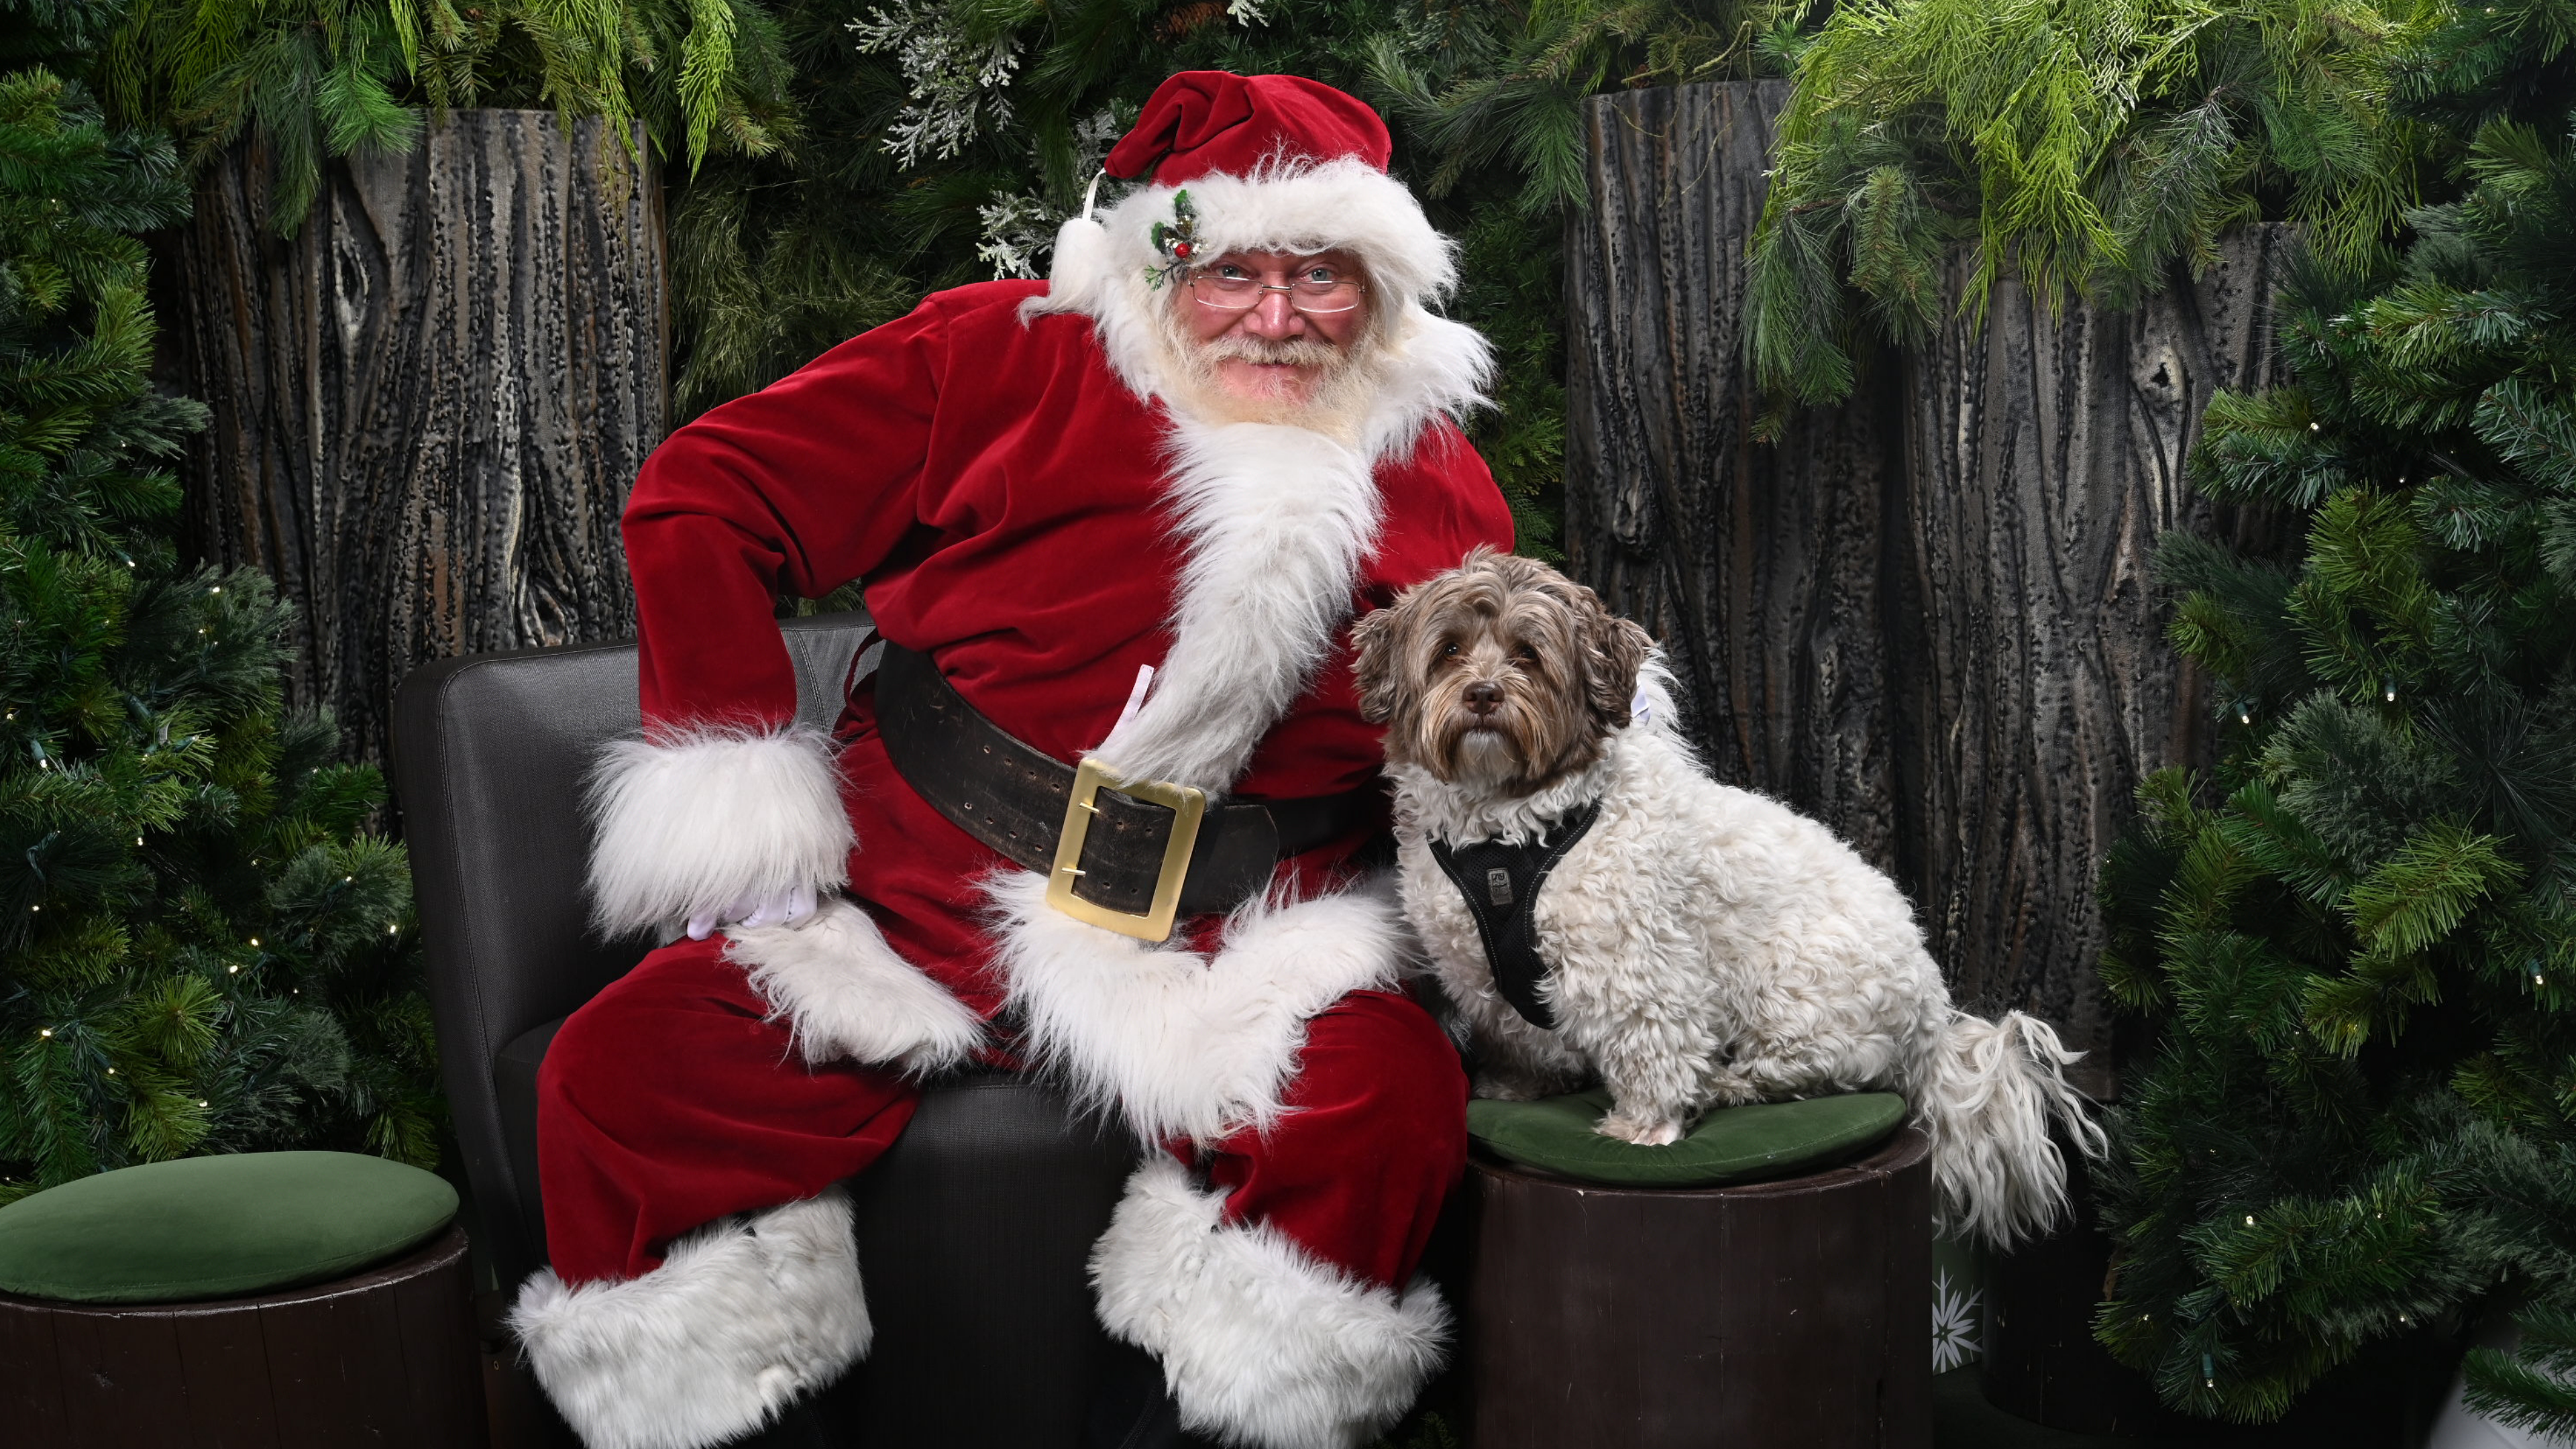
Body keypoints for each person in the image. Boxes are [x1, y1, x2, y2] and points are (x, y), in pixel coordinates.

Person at [509, 69, 1514, 1449]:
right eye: (1233, 273)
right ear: (1162, 264)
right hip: (920, 903)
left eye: (1320, 277)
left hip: (1243, 942)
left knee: (1385, 1100)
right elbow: (705, 493)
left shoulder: (1430, 464)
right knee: (620, 1076)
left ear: (1380, 291)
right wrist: (742, 807)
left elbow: (1505, 696)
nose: (1276, 318)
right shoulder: (1002, 358)